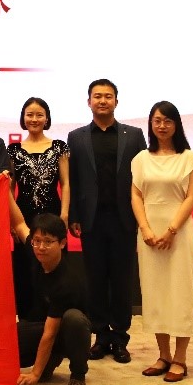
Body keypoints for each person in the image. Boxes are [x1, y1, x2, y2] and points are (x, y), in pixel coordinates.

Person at [66, 78, 147, 363]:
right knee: (96, 279)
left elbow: (143, 179)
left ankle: (120, 338)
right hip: (92, 221)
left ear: (116, 101)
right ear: (89, 101)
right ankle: (100, 336)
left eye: (108, 96)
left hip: (124, 218)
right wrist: (74, 215)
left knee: (122, 280)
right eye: (97, 96)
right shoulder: (76, 137)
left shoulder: (134, 136)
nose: (102, 101)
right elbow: (73, 180)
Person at [131, 100, 193, 383]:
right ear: (150, 124)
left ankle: (180, 358)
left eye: (167, 121)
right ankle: (163, 355)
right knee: (155, 293)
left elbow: (191, 197)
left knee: (181, 292)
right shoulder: (141, 158)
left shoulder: (188, 157)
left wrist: (171, 230)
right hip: (149, 235)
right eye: (157, 121)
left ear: (176, 125)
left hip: (179, 233)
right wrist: (146, 229)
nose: (162, 126)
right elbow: (136, 195)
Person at [15, 213, 93, 385]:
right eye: (37, 241)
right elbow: (19, 223)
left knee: (73, 319)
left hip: (71, 334)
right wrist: (4, 192)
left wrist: (35, 373)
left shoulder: (67, 281)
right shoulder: (38, 254)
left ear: (62, 243)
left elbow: (49, 334)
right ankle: (50, 359)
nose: (41, 247)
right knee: (9, 339)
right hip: (46, 324)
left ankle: (78, 377)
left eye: (48, 242)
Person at [6, 97, 71, 318]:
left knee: (54, 267)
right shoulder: (13, 150)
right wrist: (11, 221)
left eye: (39, 115)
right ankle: (28, 318)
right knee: (26, 267)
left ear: (47, 118)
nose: (34, 119)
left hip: (53, 213)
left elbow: (66, 183)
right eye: (30, 115)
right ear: (23, 118)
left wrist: (64, 214)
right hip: (23, 217)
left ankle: (55, 317)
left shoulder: (59, 147)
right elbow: (10, 188)